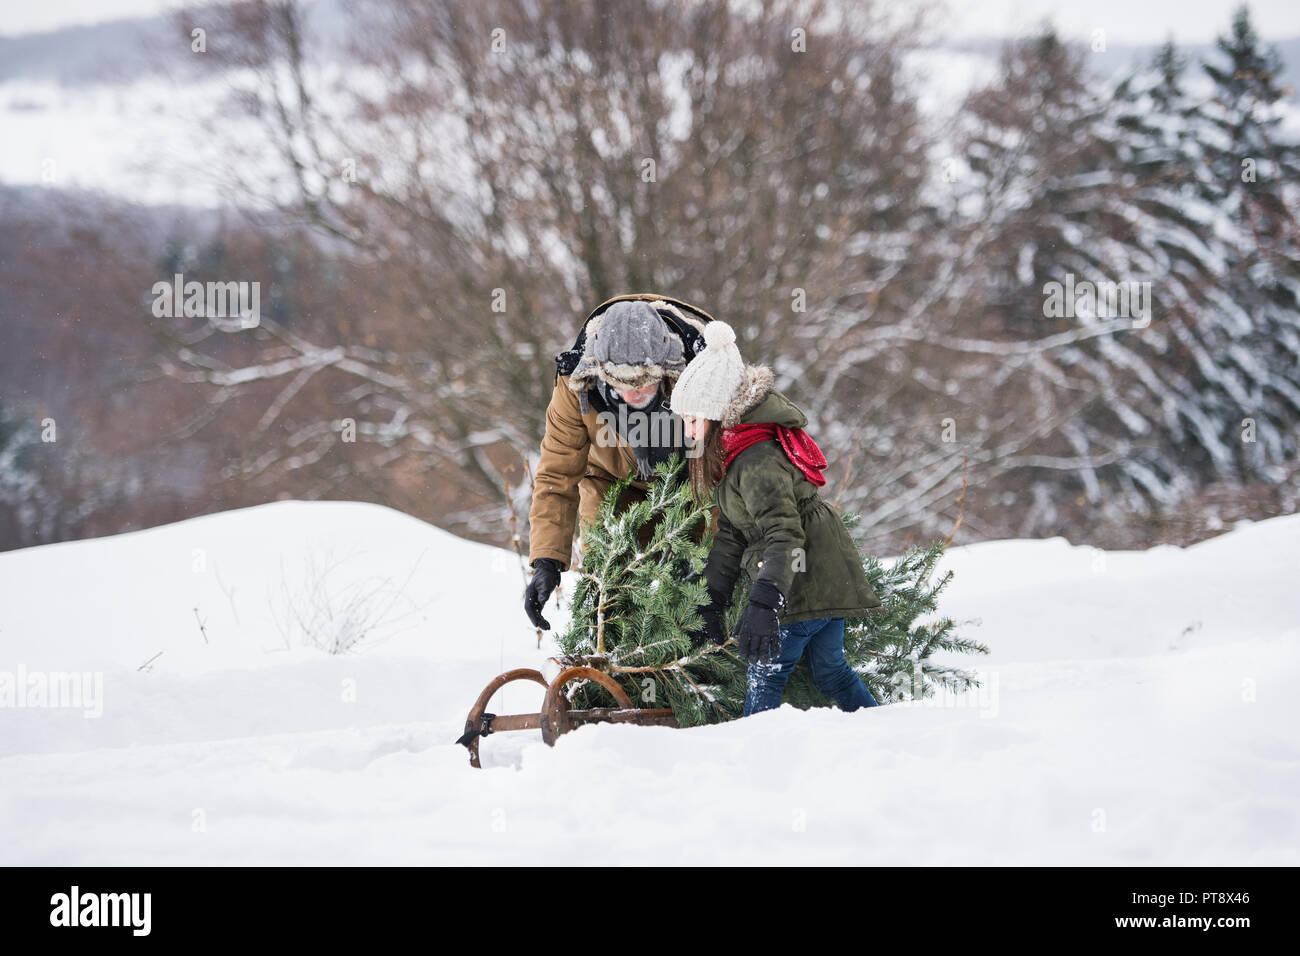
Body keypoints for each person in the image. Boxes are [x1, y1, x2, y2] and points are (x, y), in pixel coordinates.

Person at [669, 319, 884, 716]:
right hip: (826, 572)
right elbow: (733, 531)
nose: (689, 431)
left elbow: (783, 534)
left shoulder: (756, 460)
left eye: (694, 420)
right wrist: (711, 601)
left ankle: (755, 757)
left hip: (805, 578)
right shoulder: (735, 451)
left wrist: (765, 603)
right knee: (831, 672)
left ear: (718, 414)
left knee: (766, 673)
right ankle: (881, 728)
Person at [524, 294, 716, 629]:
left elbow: (730, 471)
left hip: (694, 487)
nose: (634, 395)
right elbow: (557, 474)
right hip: (612, 486)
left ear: (667, 368)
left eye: (645, 382)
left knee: (699, 596)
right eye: (621, 385)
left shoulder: (705, 378)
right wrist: (547, 560)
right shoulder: (575, 388)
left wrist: (721, 566)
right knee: (613, 599)